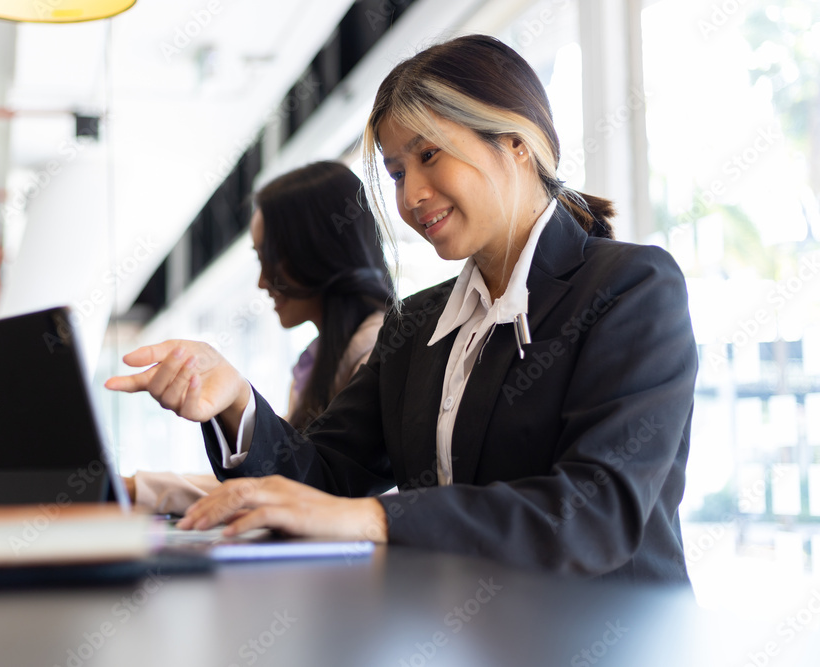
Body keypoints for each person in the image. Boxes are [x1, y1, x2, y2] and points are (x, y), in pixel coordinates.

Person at [106, 35, 697, 584]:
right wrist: (235, 401)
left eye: (430, 156)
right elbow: (325, 479)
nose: (410, 196)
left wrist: (378, 520)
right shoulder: (417, 324)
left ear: (517, 145)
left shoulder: (630, 288)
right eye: (395, 171)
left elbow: (596, 512)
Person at [122, 161, 394, 513]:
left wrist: (140, 490)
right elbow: (279, 484)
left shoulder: (376, 352)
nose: (263, 282)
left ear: (315, 251)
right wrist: (137, 490)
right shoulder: (319, 360)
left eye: (271, 259)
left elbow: (310, 493)